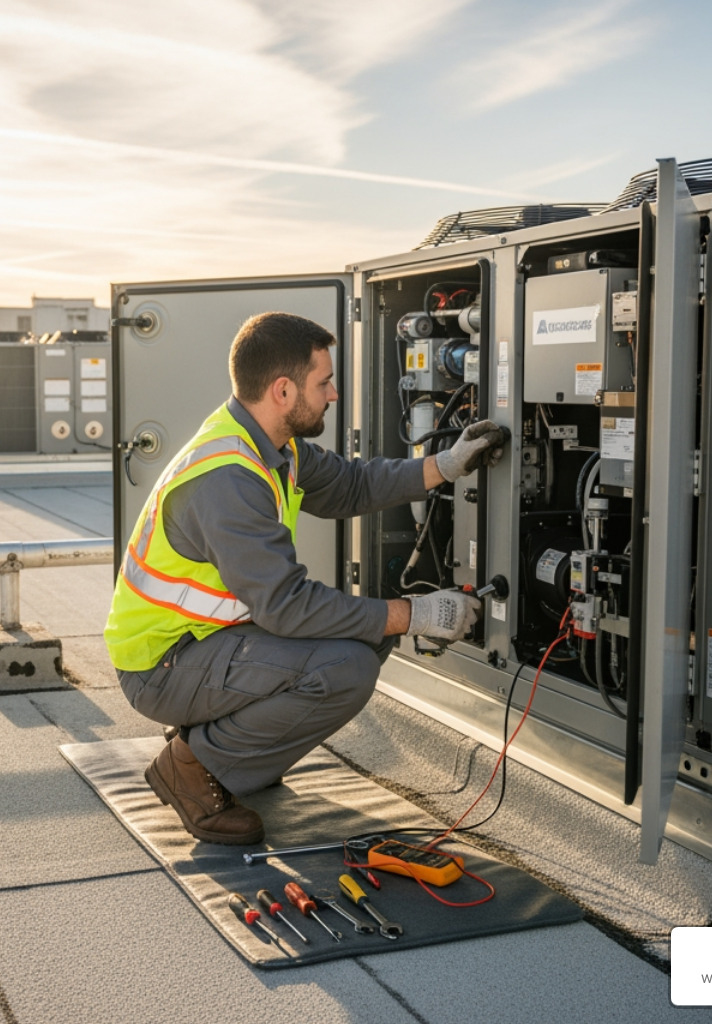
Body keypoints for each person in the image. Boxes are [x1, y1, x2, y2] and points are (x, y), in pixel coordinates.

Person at [103, 311, 506, 845]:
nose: (333, 394)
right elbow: (288, 607)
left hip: (203, 643)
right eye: (324, 382)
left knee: (361, 636)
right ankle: (191, 765)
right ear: (284, 390)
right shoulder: (228, 477)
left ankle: (226, 746)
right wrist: (416, 614)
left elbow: (351, 485)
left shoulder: (272, 446)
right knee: (347, 665)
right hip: (161, 665)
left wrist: (446, 465)